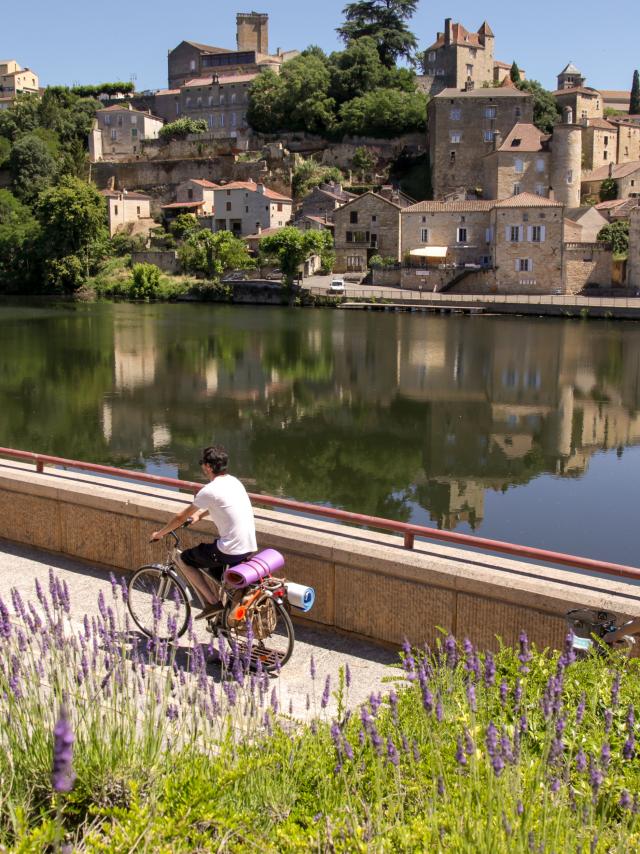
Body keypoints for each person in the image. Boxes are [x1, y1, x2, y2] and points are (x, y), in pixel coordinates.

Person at [150, 445, 257, 618]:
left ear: (208, 466)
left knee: (184, 559)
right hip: (249, 545)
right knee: (214, 569)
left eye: (203, 464)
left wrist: (159, 534)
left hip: (230, 549)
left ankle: (213, 603)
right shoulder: (234, 482)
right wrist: (200, 515)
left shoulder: (209, 490)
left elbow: (180, 518)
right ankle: (226, 614)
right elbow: (220, 504)